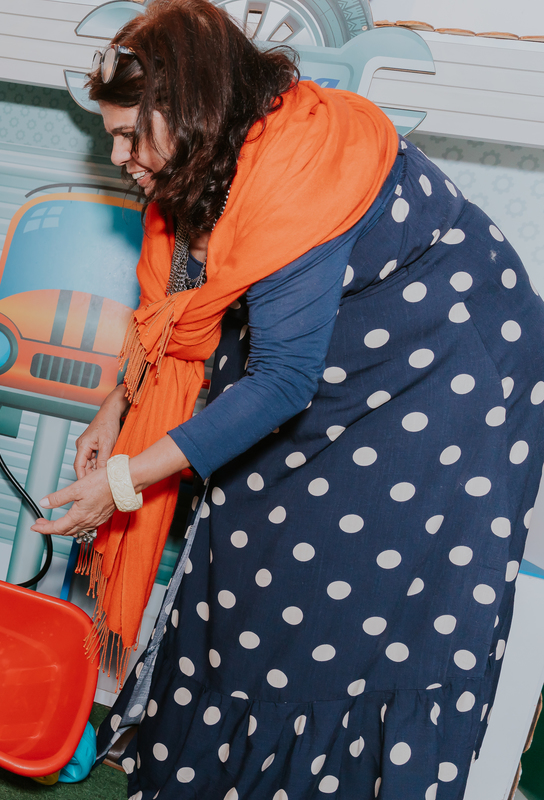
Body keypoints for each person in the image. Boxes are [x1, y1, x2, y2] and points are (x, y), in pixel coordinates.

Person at [30, 1, 544, 797]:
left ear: (193, 111)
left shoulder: (300, 170)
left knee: (345, 596)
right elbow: (176, 308)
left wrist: (126, 482)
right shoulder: (206, 164)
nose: (119, 153)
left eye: (132, 133)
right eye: (111, 134)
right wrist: (116, 411)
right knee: (242, 532)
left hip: (447, 380)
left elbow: (280, 384)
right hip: (336, 354)